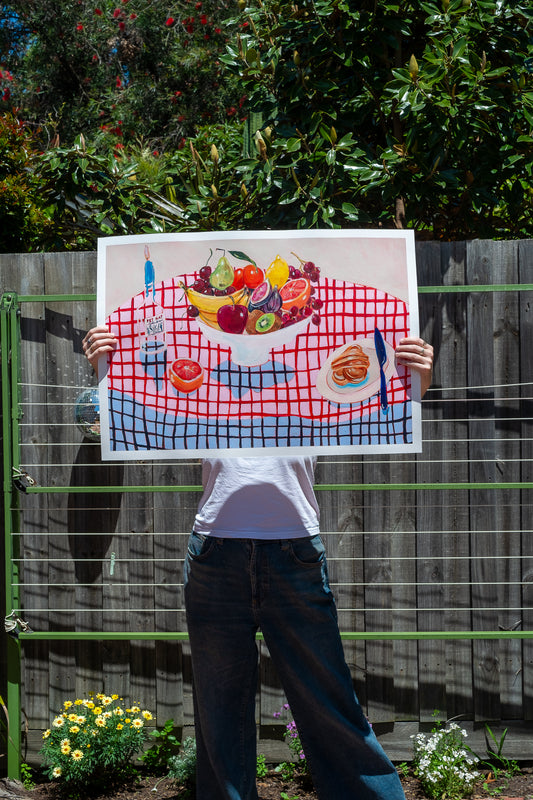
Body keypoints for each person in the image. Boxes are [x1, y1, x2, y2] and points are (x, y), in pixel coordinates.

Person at [83, 325, 433, 800]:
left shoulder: (311, 365)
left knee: (330, 702)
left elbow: (378, 407)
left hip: (294, 551)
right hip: (215, 553)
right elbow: (136, 412)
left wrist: (416, 378)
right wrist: (109, 367)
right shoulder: (202, 367)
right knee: (219, 709)